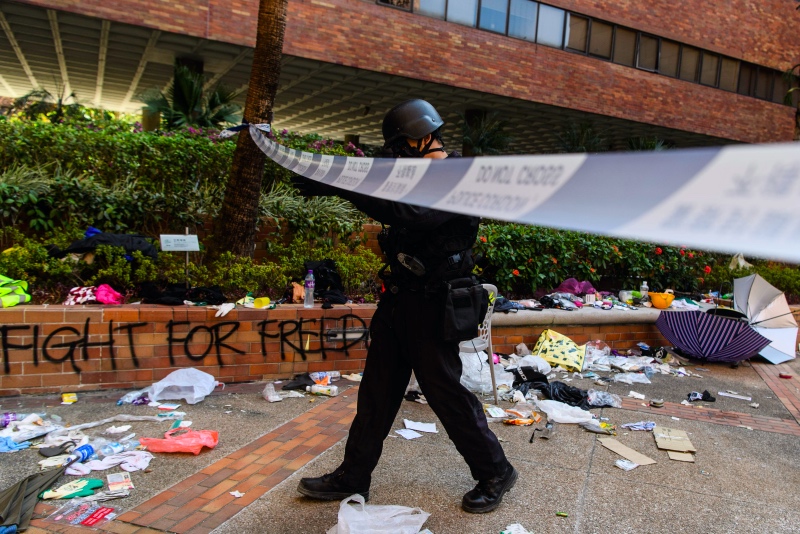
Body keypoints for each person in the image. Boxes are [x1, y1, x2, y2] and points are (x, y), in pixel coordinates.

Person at [294, 99, 516, 513]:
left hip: (434, 304)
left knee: (445, 392)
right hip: (400, 300)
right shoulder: (420, 175)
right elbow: (390, 200)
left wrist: (342, 185)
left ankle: (495, 471)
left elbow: (409, 214)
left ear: (421, 138)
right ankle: (353, 474)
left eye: (398, 146)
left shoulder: (456, 177)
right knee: (377, 391)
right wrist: (330, 179)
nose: (395, 155)